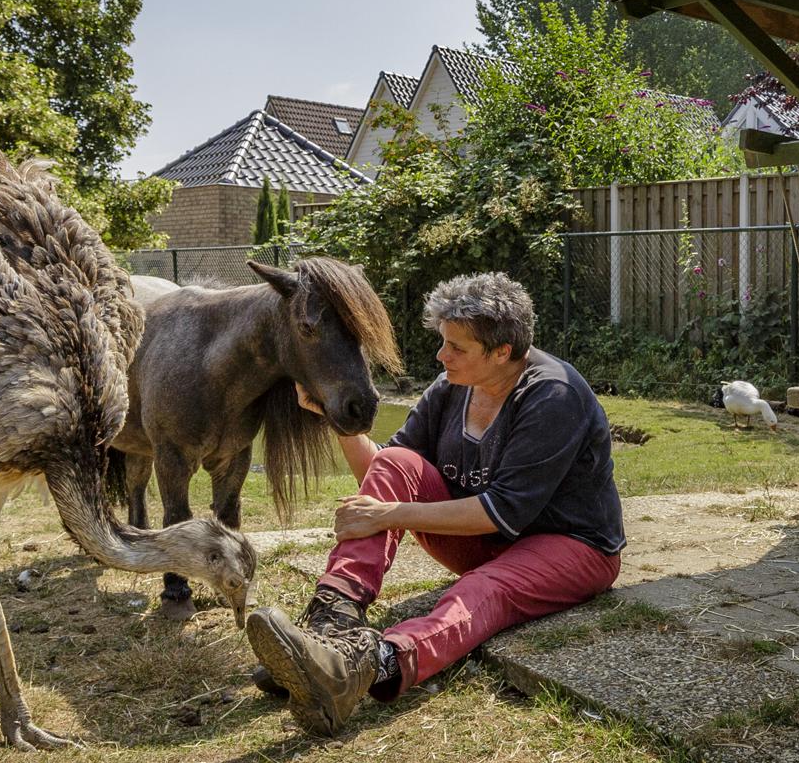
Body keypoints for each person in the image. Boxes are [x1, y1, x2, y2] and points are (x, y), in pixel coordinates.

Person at [247, 271, 625, 736]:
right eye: (444, 342)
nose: (441, 355)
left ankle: (367, 667)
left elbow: (499, 510)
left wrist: (391, 515)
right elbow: (383, 475)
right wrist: (339, 423)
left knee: (482, 590)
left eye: (456, 347)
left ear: (502, 352)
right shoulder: (451, 387)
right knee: (398, 461)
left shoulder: (553, 395)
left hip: (571, 547)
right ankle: (331, 621)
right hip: (483, 539)